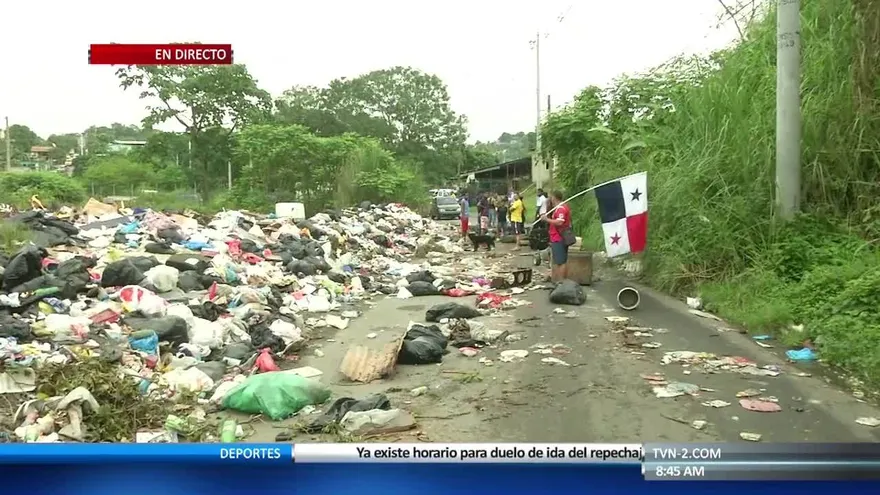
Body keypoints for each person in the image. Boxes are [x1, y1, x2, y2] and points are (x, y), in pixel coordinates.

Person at [542, 190, 572, 283]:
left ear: (554, 197)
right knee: (559, 261)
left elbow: (560, 221)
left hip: (559, 238)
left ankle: (561, 282)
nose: (550, 199)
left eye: (551, 197)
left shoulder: (561, 209)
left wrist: (547, 219)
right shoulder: (559, 207)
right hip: (556, 237)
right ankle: (559, 280)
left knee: (560, 262)